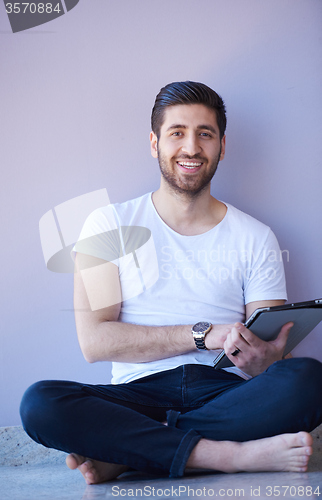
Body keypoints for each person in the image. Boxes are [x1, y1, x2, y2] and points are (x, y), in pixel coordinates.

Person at [20, 81, 322, 484]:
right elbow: (95, 342)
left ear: (221, 146)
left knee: (307, 379)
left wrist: (263, 361)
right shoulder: (106, 225)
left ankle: (133, 453)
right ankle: (226, 455)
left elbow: (269, 359)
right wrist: (203, 334)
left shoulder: (256, 237)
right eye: (177, 133)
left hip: (222, 393)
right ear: (154, 143)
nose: (191, 147)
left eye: (205, 134)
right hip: (134, 396)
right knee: (41, 403)